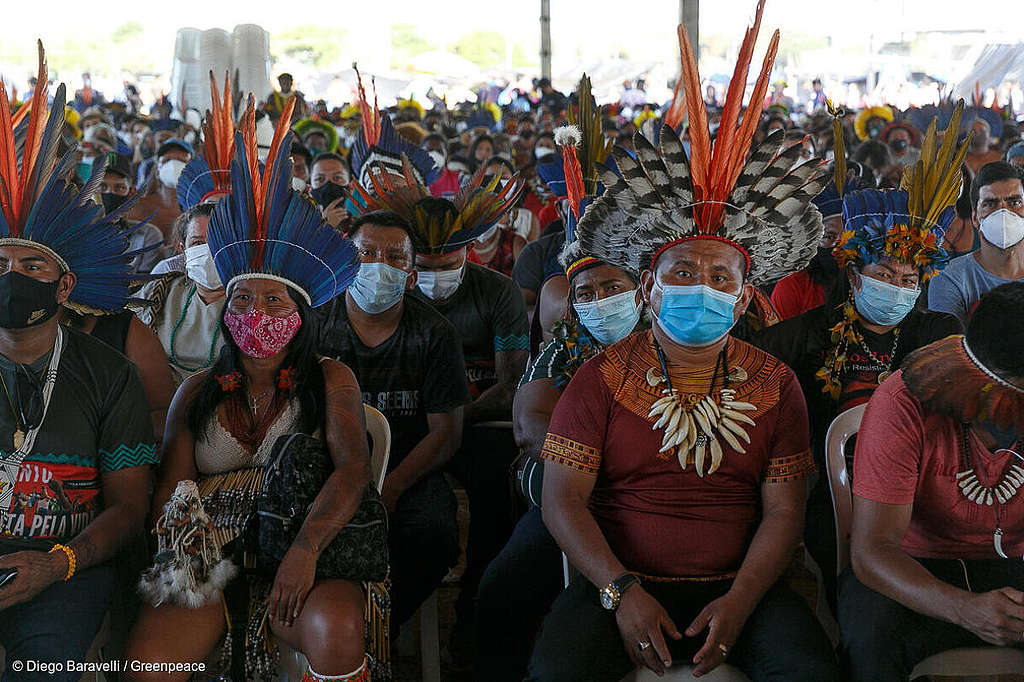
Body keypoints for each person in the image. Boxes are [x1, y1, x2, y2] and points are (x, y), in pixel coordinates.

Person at [527, 8, 838, 679]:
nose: (703, 285)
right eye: (684, 271)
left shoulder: (775, 383)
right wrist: (620, 592)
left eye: (720, 275)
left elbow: (785, 510)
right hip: (620, 586)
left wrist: (743, 601)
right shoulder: (602, 377)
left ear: (745, 291)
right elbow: (562, 500)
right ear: (649, 288)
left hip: (742, 587)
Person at [126, 97, 378, 682]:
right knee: (147, 665)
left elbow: (352, 471)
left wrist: (305, 550)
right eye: (242, 299)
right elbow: (174, 489)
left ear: (300, 312)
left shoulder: (331, 378)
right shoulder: (196, 392)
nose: (255, 311)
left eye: (273, 300)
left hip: (305, 543)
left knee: (335, 629)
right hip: (208, 559)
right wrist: (195, 559)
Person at [756, 107, 970, 605]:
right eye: (884, 276)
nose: (897, 288)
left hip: (923, 487)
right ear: (853, 277)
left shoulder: (939, 333)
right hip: (827, 493)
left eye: (908, 280)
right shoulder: (807, 335)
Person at [0, 63, 156, 679]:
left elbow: (127, 506)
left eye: (31, 265)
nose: (11, 275)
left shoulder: (108, 372)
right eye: (1, 260)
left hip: (64, 569)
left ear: (65, 285)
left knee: (43, 668)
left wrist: (58, 563)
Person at [349, 158, 528, 661]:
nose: (434, 280)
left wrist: (448, 419)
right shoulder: (384, 302)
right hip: (399, 425)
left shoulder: (499, 292)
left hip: (476, 422)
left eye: (447, 268)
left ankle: (475, 613)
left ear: (469, 252)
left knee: (498, 487)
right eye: (422, 270)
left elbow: (512, 381)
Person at [475, 238, 646, 681]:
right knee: (501, 588)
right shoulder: (563, 347)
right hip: (564, 506)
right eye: (585, 294)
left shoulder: (671, 342)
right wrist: (598, 471)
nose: (600, 302)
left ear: (642, 290)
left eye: (612, 288)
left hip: (648, 508)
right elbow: (529, 426)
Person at [839, 281, 1024, 682]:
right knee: (871, 643)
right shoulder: (902, 402)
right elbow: (872, 553)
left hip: (1013, 567)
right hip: (910, 567)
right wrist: (965, 609)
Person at [317, 210, 470, 632]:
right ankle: (322, 627)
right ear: (346, 261)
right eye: (365, 253)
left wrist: (393, 487)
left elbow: (445, 434)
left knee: (435, 535)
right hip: (326, 463)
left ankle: (375, 630)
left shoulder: (435, 335)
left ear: (411, 275)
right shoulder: (316, 323)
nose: (378, 265)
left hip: (409, 466)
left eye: (394, 257)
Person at [771, 112, 871, 321]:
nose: (838, 247)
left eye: (847, 239)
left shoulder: (873, 286)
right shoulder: (793, 285)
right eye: (829, 237)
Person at [136, 204, 226, 385]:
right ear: (183, 250)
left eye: (218, 241)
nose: (208, 252)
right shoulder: (161, 290)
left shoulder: (251, 299)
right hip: (162, 393)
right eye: (198, 243)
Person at [928, 161, 1024, 326]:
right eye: (990, 204)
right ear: (975, 218)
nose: (1003, 212)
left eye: (1014, 202)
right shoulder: (950, 278)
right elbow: (948, 347)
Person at [96, 152, 165, 273]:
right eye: (102, 187)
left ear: (131, 193)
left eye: (119, 188)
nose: (110, 193)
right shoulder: (73, 236)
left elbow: (143, 289)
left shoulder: (147, 236)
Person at [130, 137, 193, 240]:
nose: (173, 165)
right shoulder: (139, 207)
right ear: (157, 170)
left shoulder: (198, 209)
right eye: (167, 160)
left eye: (181, 161)